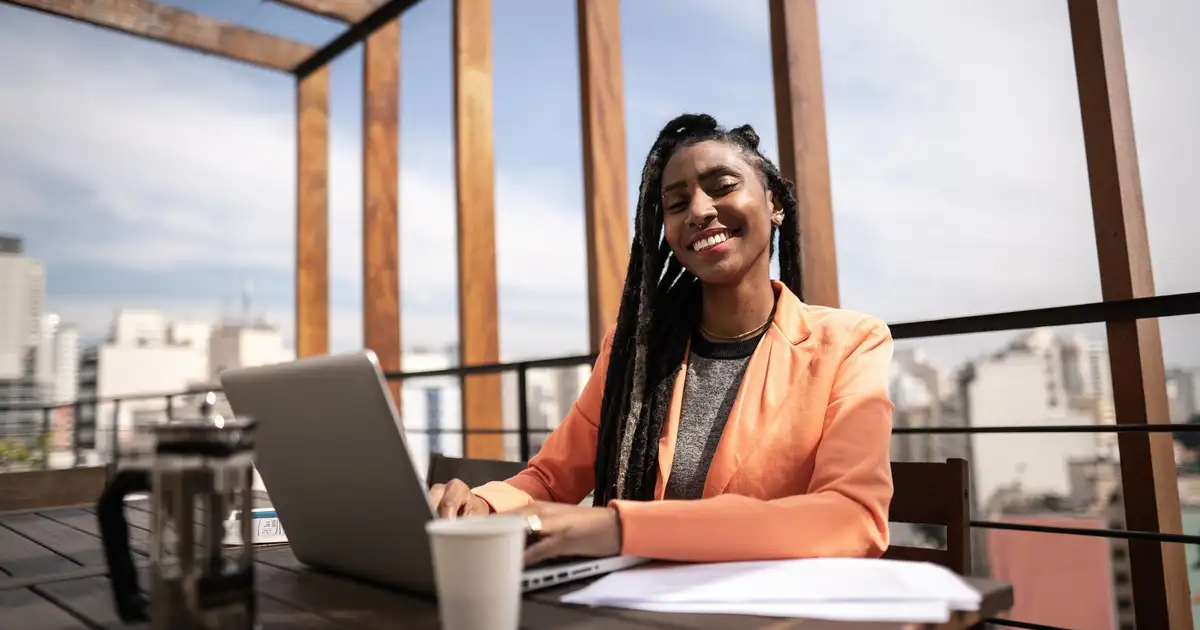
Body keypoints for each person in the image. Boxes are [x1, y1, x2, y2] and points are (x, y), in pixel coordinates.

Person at [429, 113, 894, 566]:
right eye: (676, 204)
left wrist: (620, 530)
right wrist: (483, 506)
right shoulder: (634, 353)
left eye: (723, 186)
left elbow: (852, 516)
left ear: (774, 203)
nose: (698, 211)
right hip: (631, 603)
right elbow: (551, 481)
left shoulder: (851, 343)